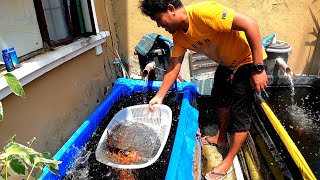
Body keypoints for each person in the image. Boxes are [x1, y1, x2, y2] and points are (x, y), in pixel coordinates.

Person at [139, 0, 268, 179]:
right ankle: (221, 138)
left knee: (240, 113)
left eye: (158, 19)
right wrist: (159, 96)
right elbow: (174, 65)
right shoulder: (179, 36)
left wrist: (258, 69)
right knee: (219, 98)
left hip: (248, 61)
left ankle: (228, 160)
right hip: (227, 64)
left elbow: (250, 25)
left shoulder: (204, 12)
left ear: (170, 9)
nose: (159, 25)